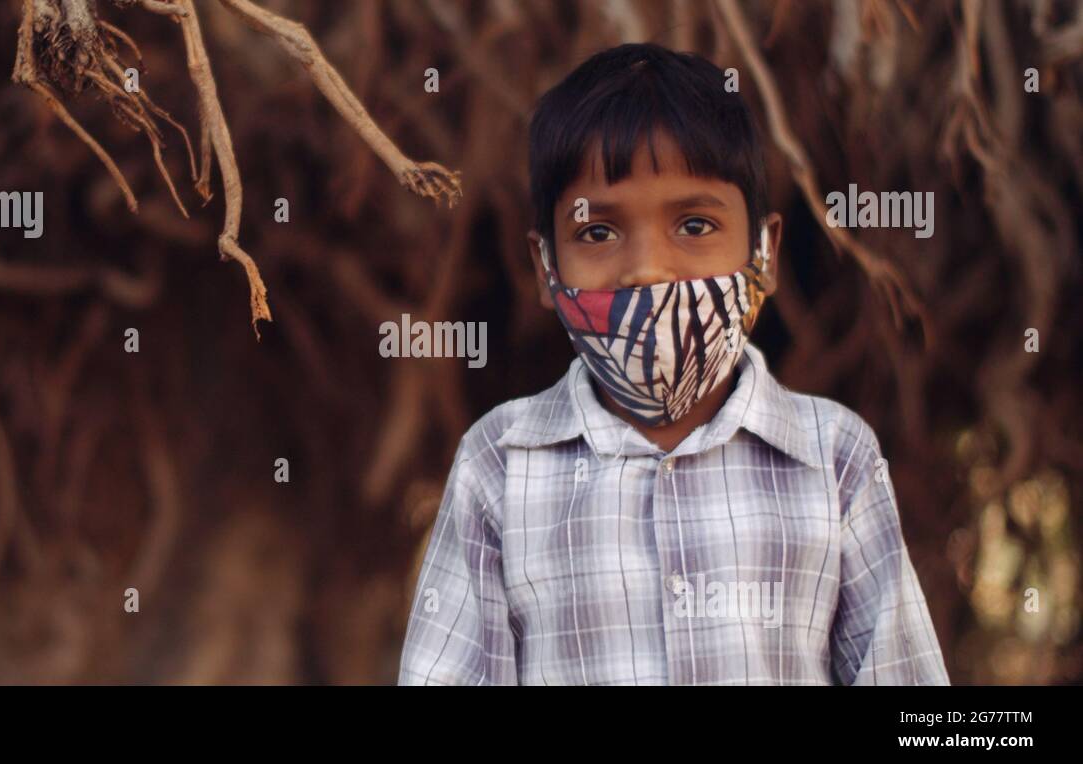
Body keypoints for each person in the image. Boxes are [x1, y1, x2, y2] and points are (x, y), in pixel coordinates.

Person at [397, 42, 949, 686]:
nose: (647, 269)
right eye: (597, 232)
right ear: (546, 268)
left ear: (764, 253)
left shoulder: (835, 458)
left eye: (693, 224)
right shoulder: (499, 461)